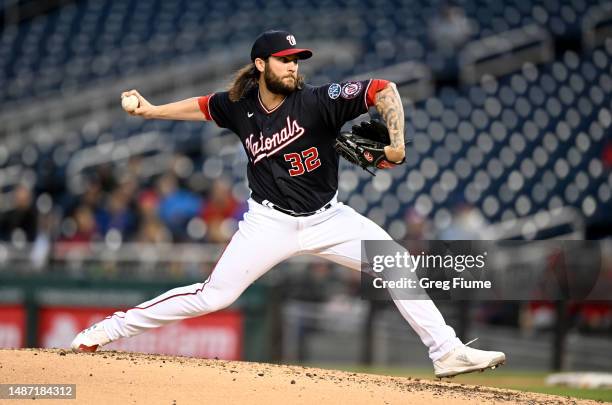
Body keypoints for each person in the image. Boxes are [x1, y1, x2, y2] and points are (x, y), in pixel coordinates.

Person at [71, 30, 505, 377]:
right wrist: (151, 110)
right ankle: (109, 329)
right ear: (261, 65)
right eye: (285, 59)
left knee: (394, 262)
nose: (293, 66)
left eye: (297, 59)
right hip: (268, 223)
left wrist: (396, 142)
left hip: (328, 218)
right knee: (212, 297)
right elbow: (203, 106)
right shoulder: (239, 106)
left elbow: (384, 89)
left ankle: (447, 352)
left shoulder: (319, 100)